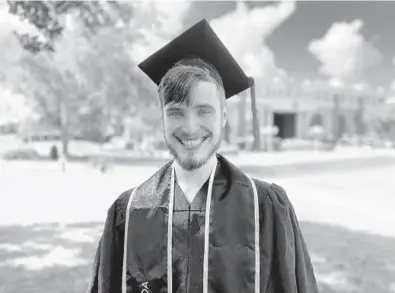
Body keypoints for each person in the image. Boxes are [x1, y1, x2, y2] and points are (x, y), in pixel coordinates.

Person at [87, 19, 318, 293]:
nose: (190, 127)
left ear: (223, 116)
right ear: (162, 118)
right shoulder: (129, 210)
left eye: (203, 110)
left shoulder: (265, 207)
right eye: (176, 112)